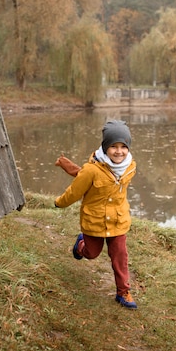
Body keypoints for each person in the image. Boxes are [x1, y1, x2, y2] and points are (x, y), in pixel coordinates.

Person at [54, 120, 138, 309]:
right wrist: (59, 202)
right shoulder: (91, 170)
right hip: (95, 221)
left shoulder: (130, 167)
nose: (119, 151)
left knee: (120, 256)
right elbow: (75, 191)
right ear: (105, 147)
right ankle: (81, 244)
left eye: (123, 147)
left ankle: (123, 292)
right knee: (91, 254)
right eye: (113, 146)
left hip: (118, 221)